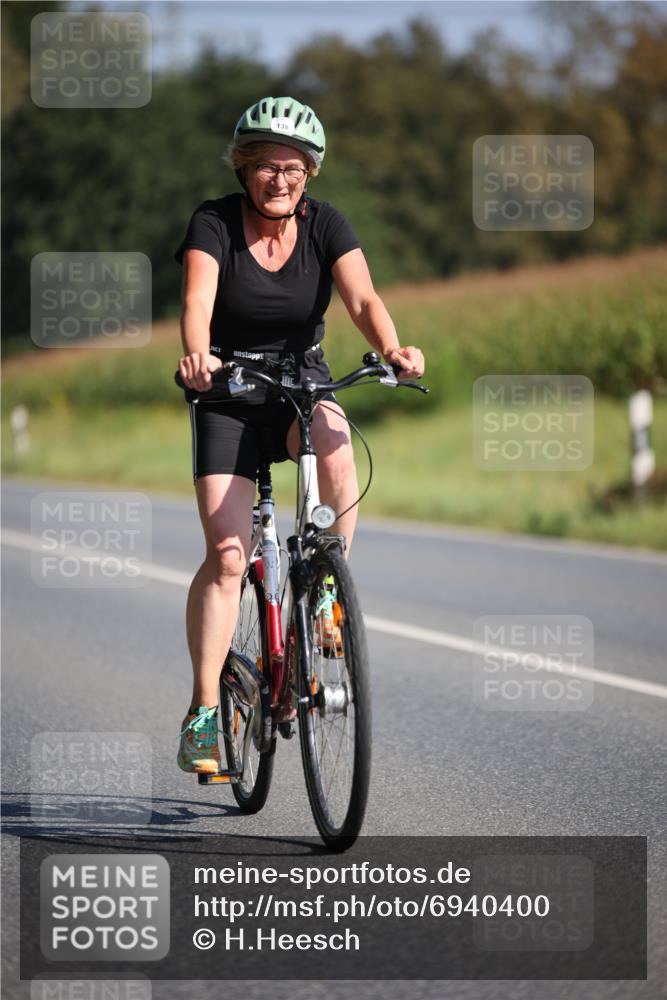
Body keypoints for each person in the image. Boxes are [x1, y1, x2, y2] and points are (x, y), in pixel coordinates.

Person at [175, 95, 424, 773]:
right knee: (228, 556)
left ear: (309, 174)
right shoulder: (214, 223)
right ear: (243, 169)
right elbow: (197, 300)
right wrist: (199, 356)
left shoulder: (326, 226)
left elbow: (364, 301)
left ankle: (323, 593)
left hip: (299, 383)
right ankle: (201, 711)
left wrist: (394, 349)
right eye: (262, 166)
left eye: (291, 167)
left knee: (337, 439)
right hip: (225, 391)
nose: (277, 178)